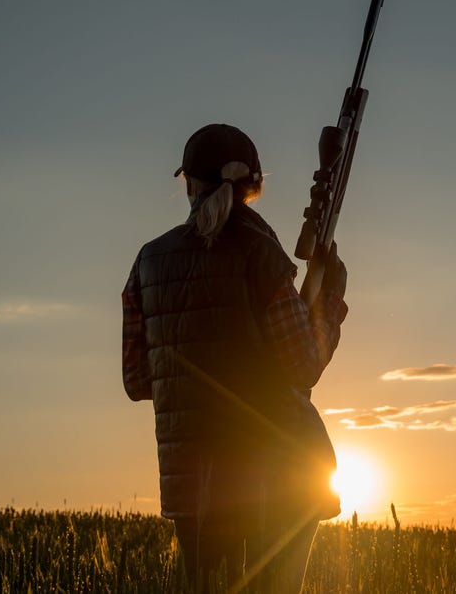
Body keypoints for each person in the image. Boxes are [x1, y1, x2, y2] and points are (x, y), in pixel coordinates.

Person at [121, 123, 347, 592]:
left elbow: (139, 379)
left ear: (190, 184)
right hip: (277, 483)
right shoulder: (260, 252)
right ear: (254, 186)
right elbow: (304, 363)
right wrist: (329, 306)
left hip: (191, 491)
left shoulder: (147, 261)